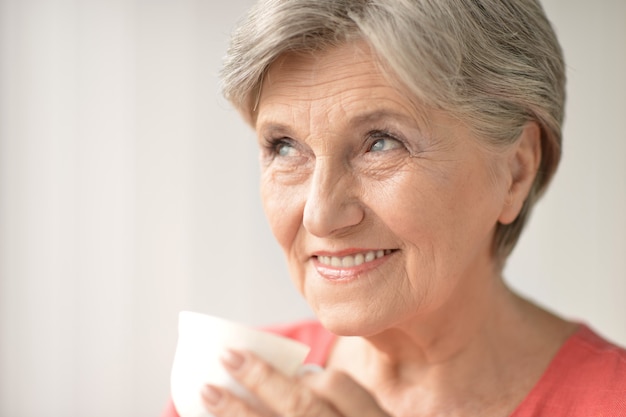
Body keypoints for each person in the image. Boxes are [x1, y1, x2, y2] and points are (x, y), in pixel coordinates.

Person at [162, 0, 626, 416]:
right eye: (284, 147)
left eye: (381, 143)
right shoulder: (236, 392)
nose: (319, 215)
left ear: (517, 170)